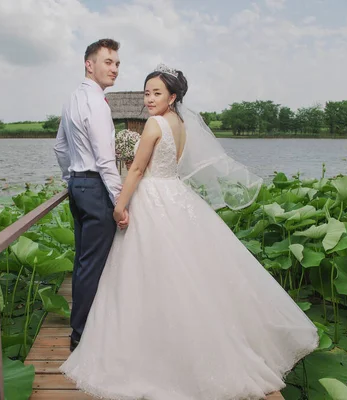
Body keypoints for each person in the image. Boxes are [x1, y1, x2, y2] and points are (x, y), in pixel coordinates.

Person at [59, 64, 319, 400]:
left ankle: (152, 347)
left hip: (152, 197)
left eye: (156, 93)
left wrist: (120, 205)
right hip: (176, 194)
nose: (149, 99)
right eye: (147, 92)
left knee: (148, 272)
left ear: (173, 96)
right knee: (185, 271)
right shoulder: (180, 124)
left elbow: (137, 169)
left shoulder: (154, 124)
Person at [53, 38, 127, 353]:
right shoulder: (96, 102)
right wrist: (120, 202)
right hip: (96, 188)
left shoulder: (72, 98)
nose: (114, 69)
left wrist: (72, 179)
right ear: (89, 64)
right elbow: (106, 160)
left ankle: (81, 329)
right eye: (108, 62)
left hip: (80, 188)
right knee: (94, 264)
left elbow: (59, 147)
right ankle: (82, 334)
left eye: (117, 64)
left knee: (84, 262)